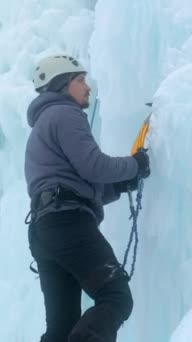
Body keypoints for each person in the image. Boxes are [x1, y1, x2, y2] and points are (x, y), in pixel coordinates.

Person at [24, 55, 151, 342]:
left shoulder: (44, 126)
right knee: (116, 296)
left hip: (46, 230)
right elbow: (93, 166)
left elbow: (81, 185)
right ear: (61, 84)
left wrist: (121, 184)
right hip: (68, 223)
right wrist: (136, 164)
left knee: (61, 327)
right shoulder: (64, 114)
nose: (87, 86)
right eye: (80, 80)